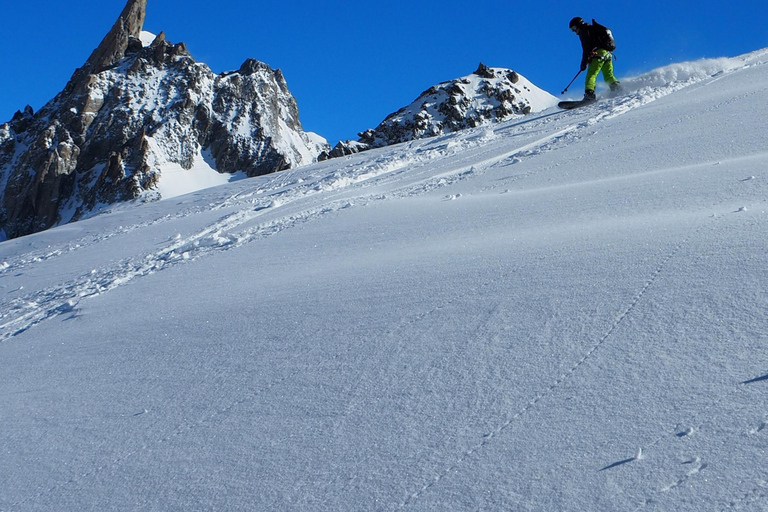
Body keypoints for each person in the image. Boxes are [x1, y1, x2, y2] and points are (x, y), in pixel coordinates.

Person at [569, 17, 621, 102]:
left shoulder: (584, 31)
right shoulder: (591, 29)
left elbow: (586, 49)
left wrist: (583, 63)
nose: (574, 31)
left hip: (598, 54)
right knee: (608, 75)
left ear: (579, 25)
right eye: (572, 30)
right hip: (607, 54)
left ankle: (589, 95)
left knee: (591, 75)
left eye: (574, 28)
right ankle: (617, 88)